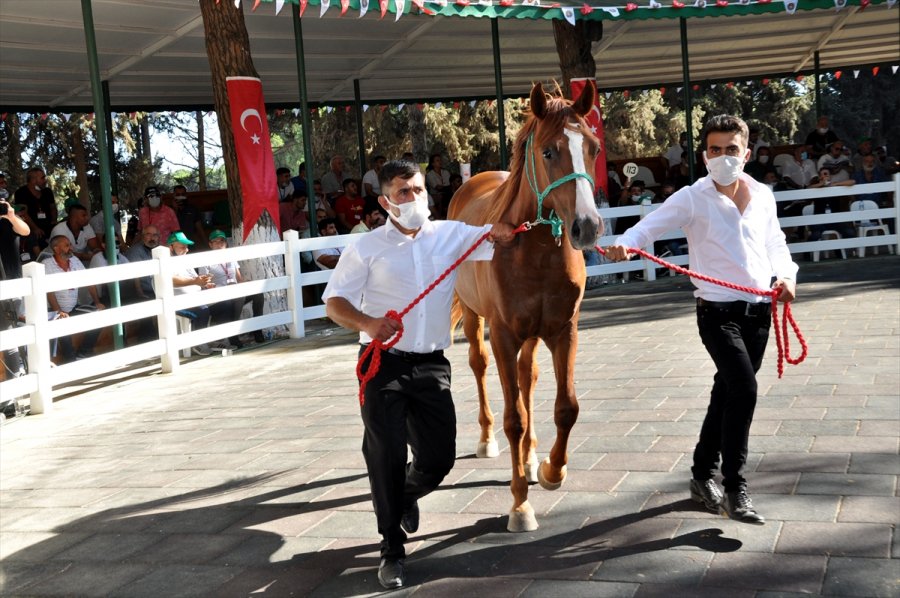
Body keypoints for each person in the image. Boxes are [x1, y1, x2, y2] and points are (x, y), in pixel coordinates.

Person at [322, 160, 514, 589]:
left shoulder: (451, 235)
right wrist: (367, 323)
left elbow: (500, 233)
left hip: (431, 365)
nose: (413, 198)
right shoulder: (366, 247)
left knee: (438, 459)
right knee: (386, 456)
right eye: (403, 192)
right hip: (383, 365)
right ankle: (391, 549)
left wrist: (512, 229)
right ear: (385, 201)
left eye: (419, 189)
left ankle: (404, 496)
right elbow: (334, 303)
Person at [605, 114, 798, 526]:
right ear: (704, 155)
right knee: (743, 389)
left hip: (759, 313)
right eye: (715, 150)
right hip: (716, 313)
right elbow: (648, 227)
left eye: (731, 149)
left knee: (726, 394)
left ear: (746, 153)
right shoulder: (692, 197)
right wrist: (625, 244)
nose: (723, 157)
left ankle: (700, 474)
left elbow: (775, 243)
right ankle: (735, 487)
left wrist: (786, 276)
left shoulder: (762, 195)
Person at [199, 230, 266, 348]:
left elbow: (239, 279)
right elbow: (204, 283)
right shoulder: (205, 260)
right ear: (210, 244)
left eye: (222, 241)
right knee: (239, 297)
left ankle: (257, 330)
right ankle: (233, 335)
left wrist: (247, 283)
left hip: (235, 292)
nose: (219, 244)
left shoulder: (231, 257)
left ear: (226, 243)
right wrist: (212, 286)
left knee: (258, 294)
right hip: (219, 297)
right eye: (215, 242)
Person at [44, 235, 105, 362]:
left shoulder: (75, 260)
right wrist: (58, 312)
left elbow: (88, 281)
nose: (71, 247)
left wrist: (97, 302)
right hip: (52, 310)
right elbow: (49, 292)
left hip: (72, 307)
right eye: (67, 245)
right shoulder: (47, 264)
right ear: (56, 248)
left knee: (99, 315)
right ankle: (70, 359)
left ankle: (84, 352)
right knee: (61, 323)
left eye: (70, 244)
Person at [165, 231, 213, 356]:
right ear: (171, 247)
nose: (186, 250)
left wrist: (204, 283)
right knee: (203, 310)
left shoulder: (185, 261)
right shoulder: (166, 262)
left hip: (195, 298)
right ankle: (197, 343)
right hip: (178, 303)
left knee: (223, 304)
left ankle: (216, 339)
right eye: (182, 247)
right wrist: (195, 281)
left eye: (187, 247)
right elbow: (170, 279)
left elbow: (195, 279)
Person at [0, 195, 30, 380]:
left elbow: (25, 231)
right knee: (6, 334)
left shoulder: (8, 220)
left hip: (12, 282)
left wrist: (10, 216)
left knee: (15, 330)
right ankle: (15, 379)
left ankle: (20, 376)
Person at [124, 225, 161, 343]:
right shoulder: (135, 251)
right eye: (148, 234)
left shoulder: (160, 250)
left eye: (155, 235)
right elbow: (135, 276)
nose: (152, 238)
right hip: (139, 291)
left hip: (156, 289)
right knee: (148, 308)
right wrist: (140, 293)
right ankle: (147, 342)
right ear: (142, 236)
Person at [14, 167, 57, 254]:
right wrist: (35, 228)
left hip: (48, 227)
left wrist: (54, 221)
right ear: (33, 180)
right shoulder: (21, 192)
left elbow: (52, 208)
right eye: (42, 178)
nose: (45, 180)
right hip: (32, 230)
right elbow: (23, 213)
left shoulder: (47, 192)